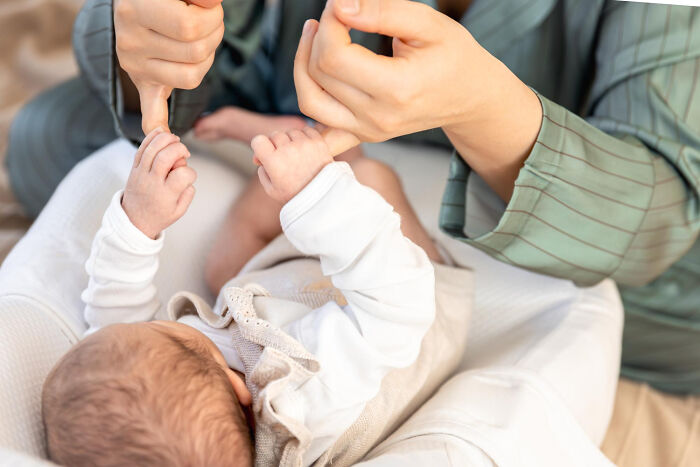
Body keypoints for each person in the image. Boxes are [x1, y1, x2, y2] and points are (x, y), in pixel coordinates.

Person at [7, 0, 697, 394]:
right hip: (328, 181)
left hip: (559, 191)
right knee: (51, 134)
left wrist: (485, 107)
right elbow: (399, 306)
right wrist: (149, 29)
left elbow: (658, 204)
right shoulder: (305, 399)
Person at [42, 125, 445, 466]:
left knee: (222, 271)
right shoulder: (311, 392)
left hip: (291, 292)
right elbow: (398, 302)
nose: (149, 321)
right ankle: (301, 145)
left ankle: (279, 142)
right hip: (406, 300)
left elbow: (115, 314)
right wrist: (317, 196)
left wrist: (137, 222)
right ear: (241, 390)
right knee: (367, 175)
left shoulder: (193, 415)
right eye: (167, 330)